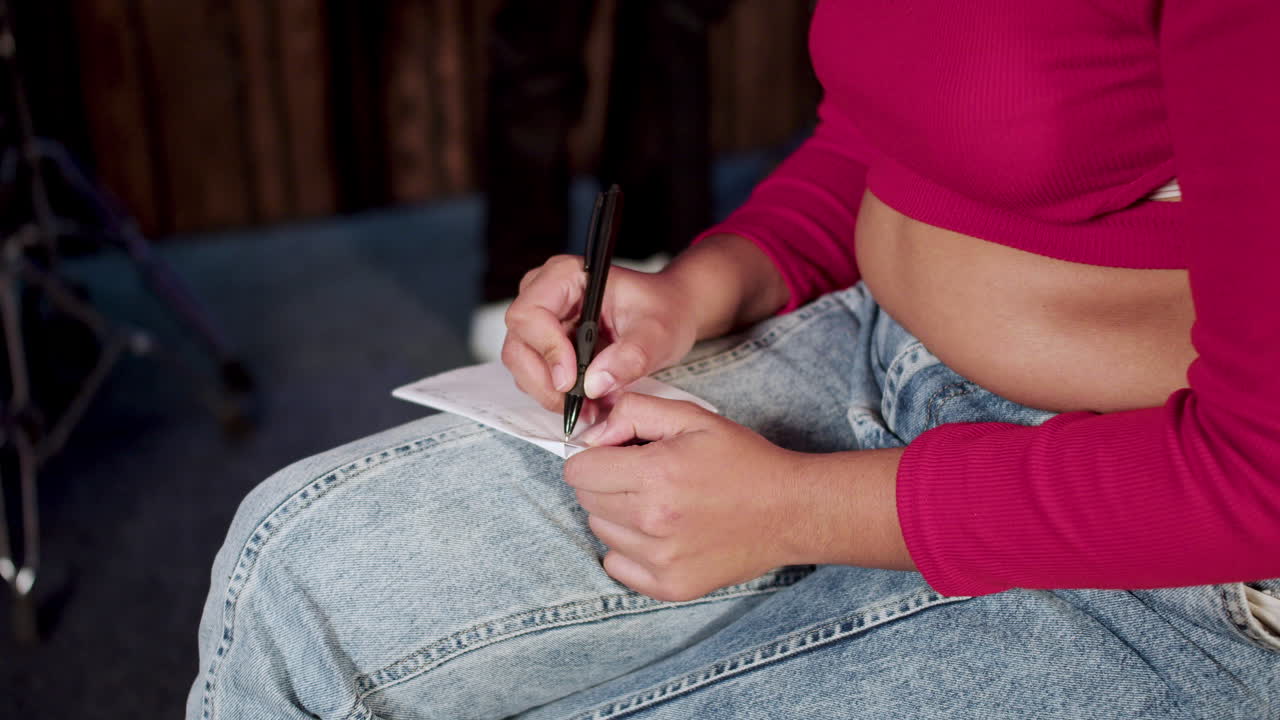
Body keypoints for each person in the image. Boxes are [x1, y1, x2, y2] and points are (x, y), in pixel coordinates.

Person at [188, 1, 1280, 717]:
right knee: (294, 571)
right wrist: (700, 288)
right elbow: (888, 132)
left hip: (1159, 518)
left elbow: (1261, 478)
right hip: (879, 357)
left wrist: (795, 509)